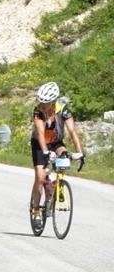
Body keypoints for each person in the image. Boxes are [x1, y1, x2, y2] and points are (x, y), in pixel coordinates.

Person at [29, 81, 85, 226]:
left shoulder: (63, 110)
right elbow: (40, 133)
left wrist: (79, 152)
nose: (42, 104)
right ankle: (36, 211)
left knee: (64, 157)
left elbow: (72, 131)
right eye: (40, 100)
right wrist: (46, 152)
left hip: (56, 143)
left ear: (53, 101)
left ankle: (56, 185)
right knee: (40, 178)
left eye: (45, 102)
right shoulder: (38, 111)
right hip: (40, 145)